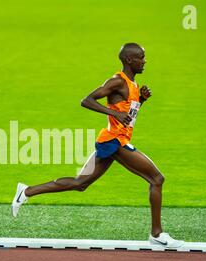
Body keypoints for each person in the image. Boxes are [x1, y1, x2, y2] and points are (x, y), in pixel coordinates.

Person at [11, 43, 184, 248]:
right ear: (129, 60)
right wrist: (114, 113)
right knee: (157, 178)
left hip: (110, 142)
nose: (145, 61)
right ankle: (157, 233)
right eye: (141, 57)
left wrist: (142, 100)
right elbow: (86, 100)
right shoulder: (117, 81)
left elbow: (128, 115)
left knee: (80, 183)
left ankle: (26, 191)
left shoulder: (133, 85)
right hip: (115, 142)